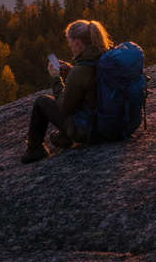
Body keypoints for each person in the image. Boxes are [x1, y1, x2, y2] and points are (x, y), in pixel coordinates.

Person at [20, 18, 111, 164]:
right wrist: (72, 71)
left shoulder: (82, 70)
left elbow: (64, 106)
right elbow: (91, 88)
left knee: (41, 101)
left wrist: (56, 79)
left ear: (77, 42)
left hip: (93, 131)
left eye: (70, 44)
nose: (70, 47)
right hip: (115, 123)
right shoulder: (106, 57)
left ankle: (35, 150)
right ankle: (64, 137)